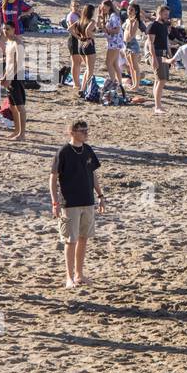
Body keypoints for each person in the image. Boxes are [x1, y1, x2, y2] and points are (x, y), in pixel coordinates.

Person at [50, 119, 104, 289]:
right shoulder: (63, 152)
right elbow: (53, 178)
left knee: (83, 239)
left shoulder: (87, 150)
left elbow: (93, 174)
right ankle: (69, 277)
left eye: (87, 130)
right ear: (72, 132)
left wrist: (101, 195)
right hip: (69, 203)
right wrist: (55, 202)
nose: (86, 133)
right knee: (70, 241)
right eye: (82, 131)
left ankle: (79, 275)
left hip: (87, 201)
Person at [122, 1, 145, 91]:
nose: (129, 11)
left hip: (132, 45)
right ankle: (134, 83)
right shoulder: (127, 20)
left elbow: (132, 34)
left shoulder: (135, 21)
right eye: (128, 9)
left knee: (135, 66)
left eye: (132, 10)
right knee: (130, 67)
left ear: (135, 11)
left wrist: (131, 23)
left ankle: (136, 85)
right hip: (126, 45)